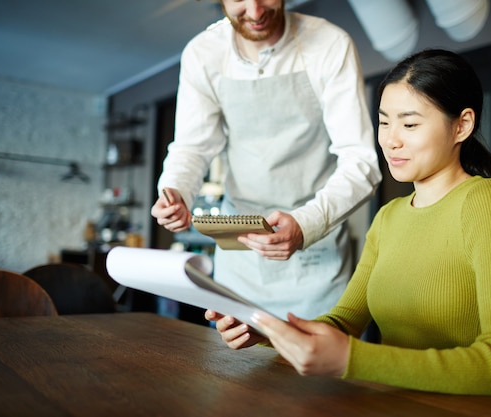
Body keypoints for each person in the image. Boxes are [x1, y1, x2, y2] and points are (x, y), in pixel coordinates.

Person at [206, 49, 491, 401]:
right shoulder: (389, 216)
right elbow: (344, 322)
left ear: (462, 125)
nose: (391, 140)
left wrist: (353, 358)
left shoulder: (485, 200)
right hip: (387, 404)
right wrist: (271, 331)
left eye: (409, 124)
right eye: (384, 122)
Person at [151, 0, 381, 319]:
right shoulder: (202, 53)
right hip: (239, 261)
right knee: (233, 366)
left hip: (316, 258)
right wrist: (175, 190)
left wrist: (306, 223)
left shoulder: (330, 43)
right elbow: (192, 146)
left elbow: (361, 162)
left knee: (317, 368)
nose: (256, 12)